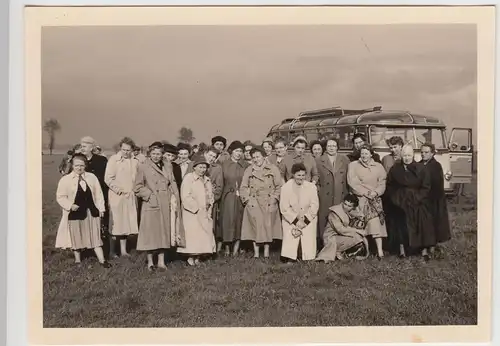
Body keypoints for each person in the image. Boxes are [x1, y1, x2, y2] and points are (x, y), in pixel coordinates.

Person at [54, 153, 111, 268]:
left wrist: (101, 208)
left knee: (95, 235)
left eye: (82, 165)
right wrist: (70, 205)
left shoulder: (91, 177)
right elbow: (60, 196)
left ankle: (102, 260)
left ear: (85, 165)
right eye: (76, 166)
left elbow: (98, 194)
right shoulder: (66, 180)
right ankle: (78, 260)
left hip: (91, 211)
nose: (79, 168)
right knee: (76, 235)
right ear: (72, 166)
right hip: (75, 213)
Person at [133, 141, 183, 271]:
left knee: (163, 233)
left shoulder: (167, 165)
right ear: (149, 154)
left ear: (162, 154)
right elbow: (137, 187)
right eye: (153, 154)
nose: (156, 156)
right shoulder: (143, 166)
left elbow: (172, 182)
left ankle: (161, 261)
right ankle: (150, 262)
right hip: (151, 204)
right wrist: (150, 196)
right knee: (150, 234)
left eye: (159, 154)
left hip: (165, 204)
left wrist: (176, 198)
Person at [386, 144, 435, 260]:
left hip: (417, 200)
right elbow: (390, 185)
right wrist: (395, 199)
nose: (407, 158)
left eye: (409, 155)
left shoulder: (421, 168)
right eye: (404, 155)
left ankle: (423, 250)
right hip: (400, 200)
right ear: (401, 156)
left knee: (423, 219)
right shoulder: (395, 169)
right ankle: (402, 249)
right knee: (399, 221)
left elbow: (426, 186)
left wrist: (418, 198)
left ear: (413, 155)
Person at [240, 146, 283, 258]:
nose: (256, 159)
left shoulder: (273, 169)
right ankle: (256, 253)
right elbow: (243, 187)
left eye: (258, 156)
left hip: (269, 201)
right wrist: (247, 200)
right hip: (254, 201)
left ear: (264, 156)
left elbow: (279, 186)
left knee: (268, 226)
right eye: (253, 157)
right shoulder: (249, 170)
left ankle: (266, 252)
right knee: (255, 226)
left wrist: (274, 198)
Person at [347, 144, 387, 259]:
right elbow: (353, 182)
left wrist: (376, 193)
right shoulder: (353, 165)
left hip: (374, 200)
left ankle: (380, 252)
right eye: (362, 153)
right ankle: (364, 250)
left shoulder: (378, 166)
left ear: (371, 154)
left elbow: (382, 182)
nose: (364, 156)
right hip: (360, 199)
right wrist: (365, 193)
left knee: (375, 224)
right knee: (361, 225)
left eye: (366, 153)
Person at [104, 137, 140, 258]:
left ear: (132, 150)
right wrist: (118, 190)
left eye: (128, 150)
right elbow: (108, 178)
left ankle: (124, 251)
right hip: (117, 195)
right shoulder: (114, 160)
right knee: (115, 223)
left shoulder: (135, 161)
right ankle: (112, 251)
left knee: (125, 223)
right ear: (120, 148)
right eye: (124, 149)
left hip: (130, 195)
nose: (126, 152)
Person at [177, 158, 216, 266]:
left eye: (204, 167)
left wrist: (209, 204)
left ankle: (198, 257)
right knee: (192, 235)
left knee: (203, 234)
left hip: (204, 211)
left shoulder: (207, 180)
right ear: (194, 167)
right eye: (200, 167)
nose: (202, 170)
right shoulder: (189, 178)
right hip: (192, 212)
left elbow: (210, 194)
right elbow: (185, 196)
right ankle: (190, 257)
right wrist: (196, 208)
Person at [279, 163, 319, 263]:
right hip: (291, 218)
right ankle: (290, 257)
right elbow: (284, 208)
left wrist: (305, 220)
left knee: (308, 236)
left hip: (308, 217)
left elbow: (314, 206)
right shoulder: (285, 188)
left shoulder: (311, 187)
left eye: (303, 175)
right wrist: (296, 221)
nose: (301, 178)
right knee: (290, 234)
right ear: (293, 174)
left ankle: (308, 256)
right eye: (298, 175)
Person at [216, 141, 250, 256]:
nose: (238, 154)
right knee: (227, 221)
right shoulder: (223, 164)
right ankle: (226, 248)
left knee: (239, 222)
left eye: (241, 151)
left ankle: (236, 249)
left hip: (241, 197)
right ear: (231, 151)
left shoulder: (245, 165)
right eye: (236, 151)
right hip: (227, 197)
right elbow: (220, 181)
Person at [316, 138, 350, 244]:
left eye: (334, 146)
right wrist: (319, 191)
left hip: (340, 194)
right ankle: (324, 242)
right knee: (324, 218)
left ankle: (339, 243)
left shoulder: (344, 160)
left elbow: (348, 177)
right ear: (325, 147)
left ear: (337, 147)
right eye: (329, 146)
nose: (331, 148)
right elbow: (315, 177)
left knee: (339, 218)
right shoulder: (319, 160)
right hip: (325, 195)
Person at [316, 194, 369, 262]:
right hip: (331, 238)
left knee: (358, 238)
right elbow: (340, 229)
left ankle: (341, 253)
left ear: (353, 207)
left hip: (340, 236)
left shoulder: (348, 212)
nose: (345, 206)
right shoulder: (335, 213)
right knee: (357, 235)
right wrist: (357, 230)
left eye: (349, 206)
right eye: (345, 204)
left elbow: (358, 215)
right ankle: (337, 253)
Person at [420, 143, 452, 253]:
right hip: (421, 200)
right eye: (422, 152)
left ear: (432, 153)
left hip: (433, 200)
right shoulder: (419, 164)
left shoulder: (436, 166)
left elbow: (437, 185)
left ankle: (432, 247)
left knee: (433, 224)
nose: (423, 154)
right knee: (423, 225)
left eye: (426, 152)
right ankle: (423, 247)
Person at [79, 136, 110, 236]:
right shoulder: (78, 160)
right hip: (82, 196)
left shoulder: (101, 160)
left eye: (85, 146)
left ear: (92, 148)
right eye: (81, 146)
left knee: (100, 222)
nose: (82, 148)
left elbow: (106, 178)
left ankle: (102, 245)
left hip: (99, 195)